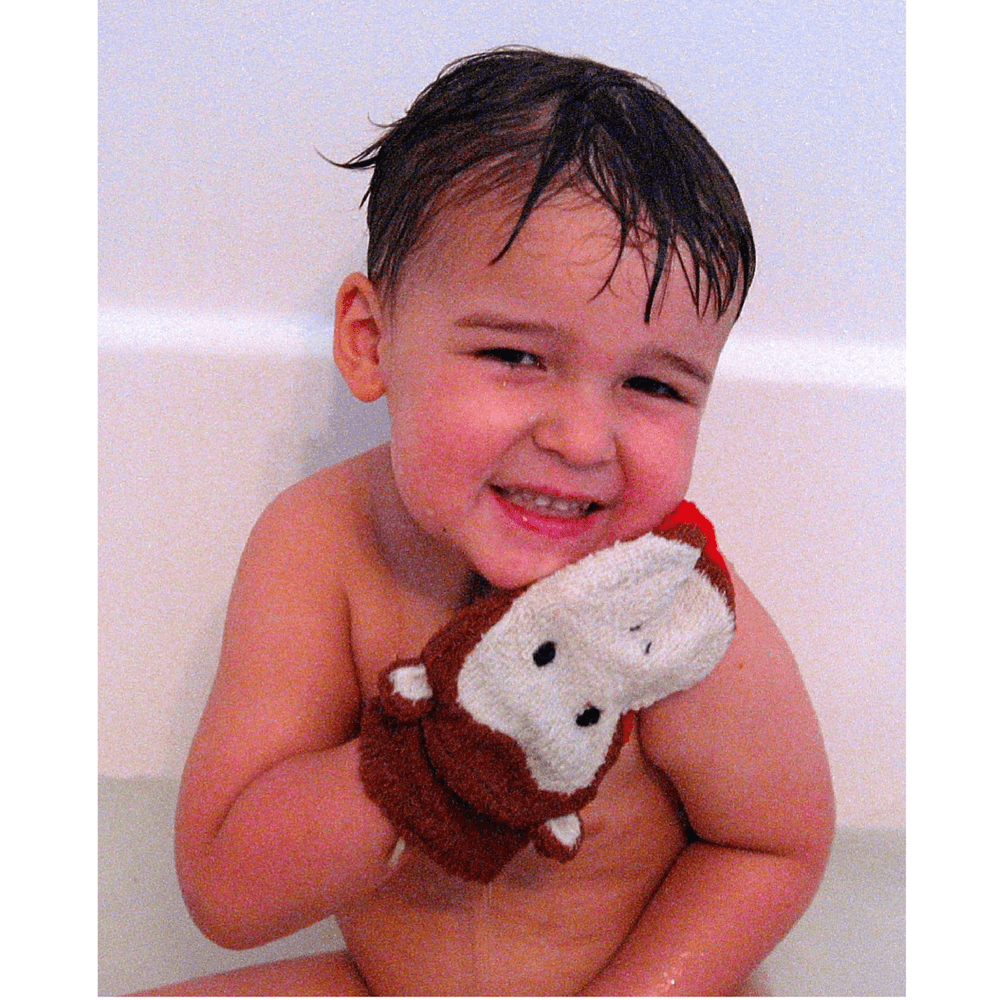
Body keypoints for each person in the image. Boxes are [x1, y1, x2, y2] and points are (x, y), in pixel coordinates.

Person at [139, 48, 835, 996]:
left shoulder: (667, 614)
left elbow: (774, 846)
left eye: (653, 384)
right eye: (515, 355)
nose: (582, 438)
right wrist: (440, 757)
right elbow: (227, 891)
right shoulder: (320, 548)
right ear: (372, 342)